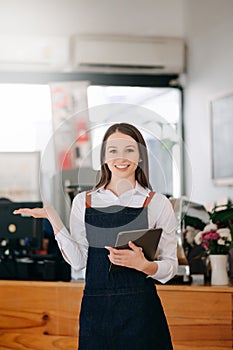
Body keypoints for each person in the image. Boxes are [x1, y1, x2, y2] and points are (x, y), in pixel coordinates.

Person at [14, 122, 178, 350]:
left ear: (140, 156)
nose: (121, 157)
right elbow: (80, 262)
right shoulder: (84, 201)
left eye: (129, 149)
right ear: (103, 157)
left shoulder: (157, 203)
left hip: (141, 313)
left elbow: (171, 267)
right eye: (113, 150)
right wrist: (53, 217)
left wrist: (145, 265)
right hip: (96, 312)